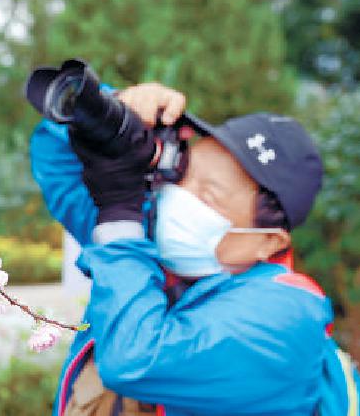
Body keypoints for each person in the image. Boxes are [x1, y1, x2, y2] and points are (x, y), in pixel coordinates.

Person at [29, 82, 360, 416]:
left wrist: (120, 211)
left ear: (267, 241)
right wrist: (116, 109)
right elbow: (56, 158)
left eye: (209, 195)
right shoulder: (148, 244)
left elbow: (134, 359)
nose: (178, 196)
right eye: (184, 173)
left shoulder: (284, 319)